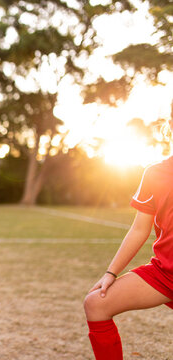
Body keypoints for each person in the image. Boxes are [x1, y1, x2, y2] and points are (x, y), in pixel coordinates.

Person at [83, 101, 173, 360]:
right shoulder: (155, 173)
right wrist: (111, 272)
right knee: (95, 304)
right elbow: (138, 229)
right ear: (170, 124)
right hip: (166, 273)